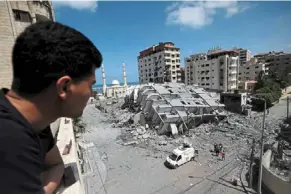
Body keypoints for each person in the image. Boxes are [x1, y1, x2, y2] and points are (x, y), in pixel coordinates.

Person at [0, 21, 102, 194]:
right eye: (91, 85)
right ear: (64, 87)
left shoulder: (34, 122)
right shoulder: (9, 139)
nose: (92, 94)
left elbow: (56, 164)